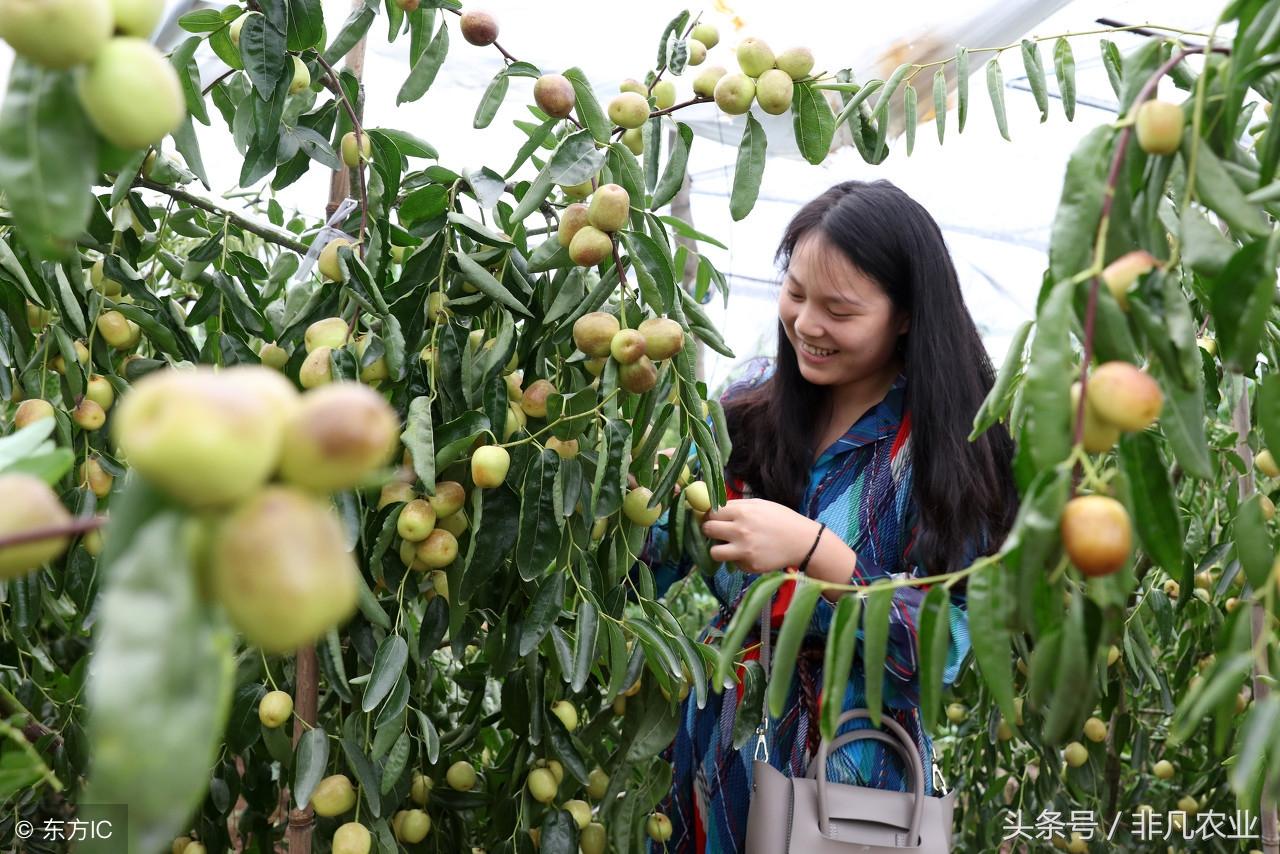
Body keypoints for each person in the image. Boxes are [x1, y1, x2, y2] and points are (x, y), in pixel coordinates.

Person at [638, 179, 1019, 853]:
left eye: (839, 310)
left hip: (848, 781)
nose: (808, 324)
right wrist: (631, 497)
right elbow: (652, 560)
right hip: (717, 752)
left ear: (904, 315)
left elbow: (942, 653)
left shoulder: (949, 451)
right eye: (795, 293)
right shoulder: (749, 409)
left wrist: (816, 551)